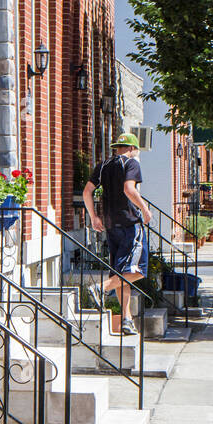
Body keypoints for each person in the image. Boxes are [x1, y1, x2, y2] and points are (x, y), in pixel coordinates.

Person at [82, 131, 151, 336]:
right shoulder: (131, 163)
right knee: (138, 270)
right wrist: (145, 209)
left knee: (122, 273)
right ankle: (101, 288)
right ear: (131, 148)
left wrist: (94, 217)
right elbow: (129, 189)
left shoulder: (104, 165)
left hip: (111, 225)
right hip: (130, 224)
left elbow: (87, 191)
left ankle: (126, 319)